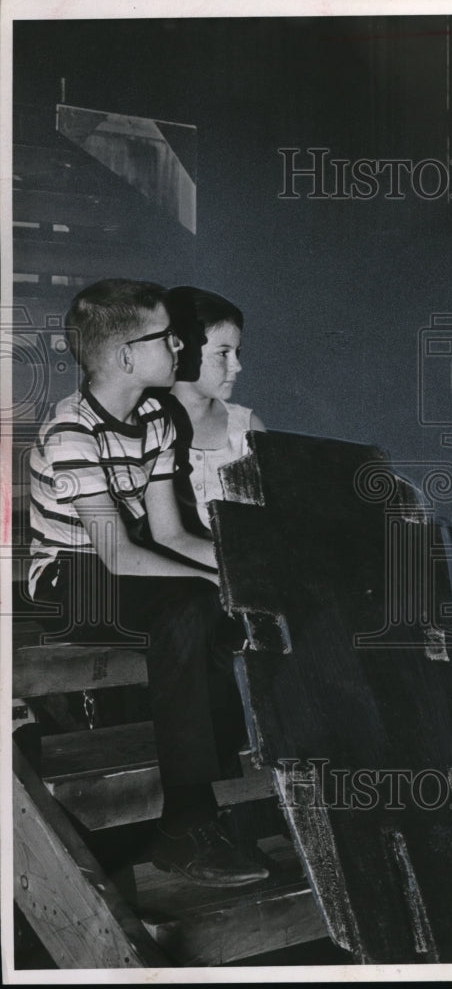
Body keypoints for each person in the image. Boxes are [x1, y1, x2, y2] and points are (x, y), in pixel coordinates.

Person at [28, 278, 270, 887]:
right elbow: (116, 555)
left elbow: (172, 536)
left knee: (217, 605)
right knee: (193, 606)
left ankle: (203, 809)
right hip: (69, 578)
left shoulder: (156, 418)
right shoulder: (71, 432)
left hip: (132, 568)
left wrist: (249, 576)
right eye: (169, 338)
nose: (181, 348)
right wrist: (216, 586)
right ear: (129, 356)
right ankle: (185, 823)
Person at [164, 286, 265, 534]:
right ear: (182, 350)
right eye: (223, 353)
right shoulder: (143, 423)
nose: (237, 366)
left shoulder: (248, 428)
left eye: (237, 352)